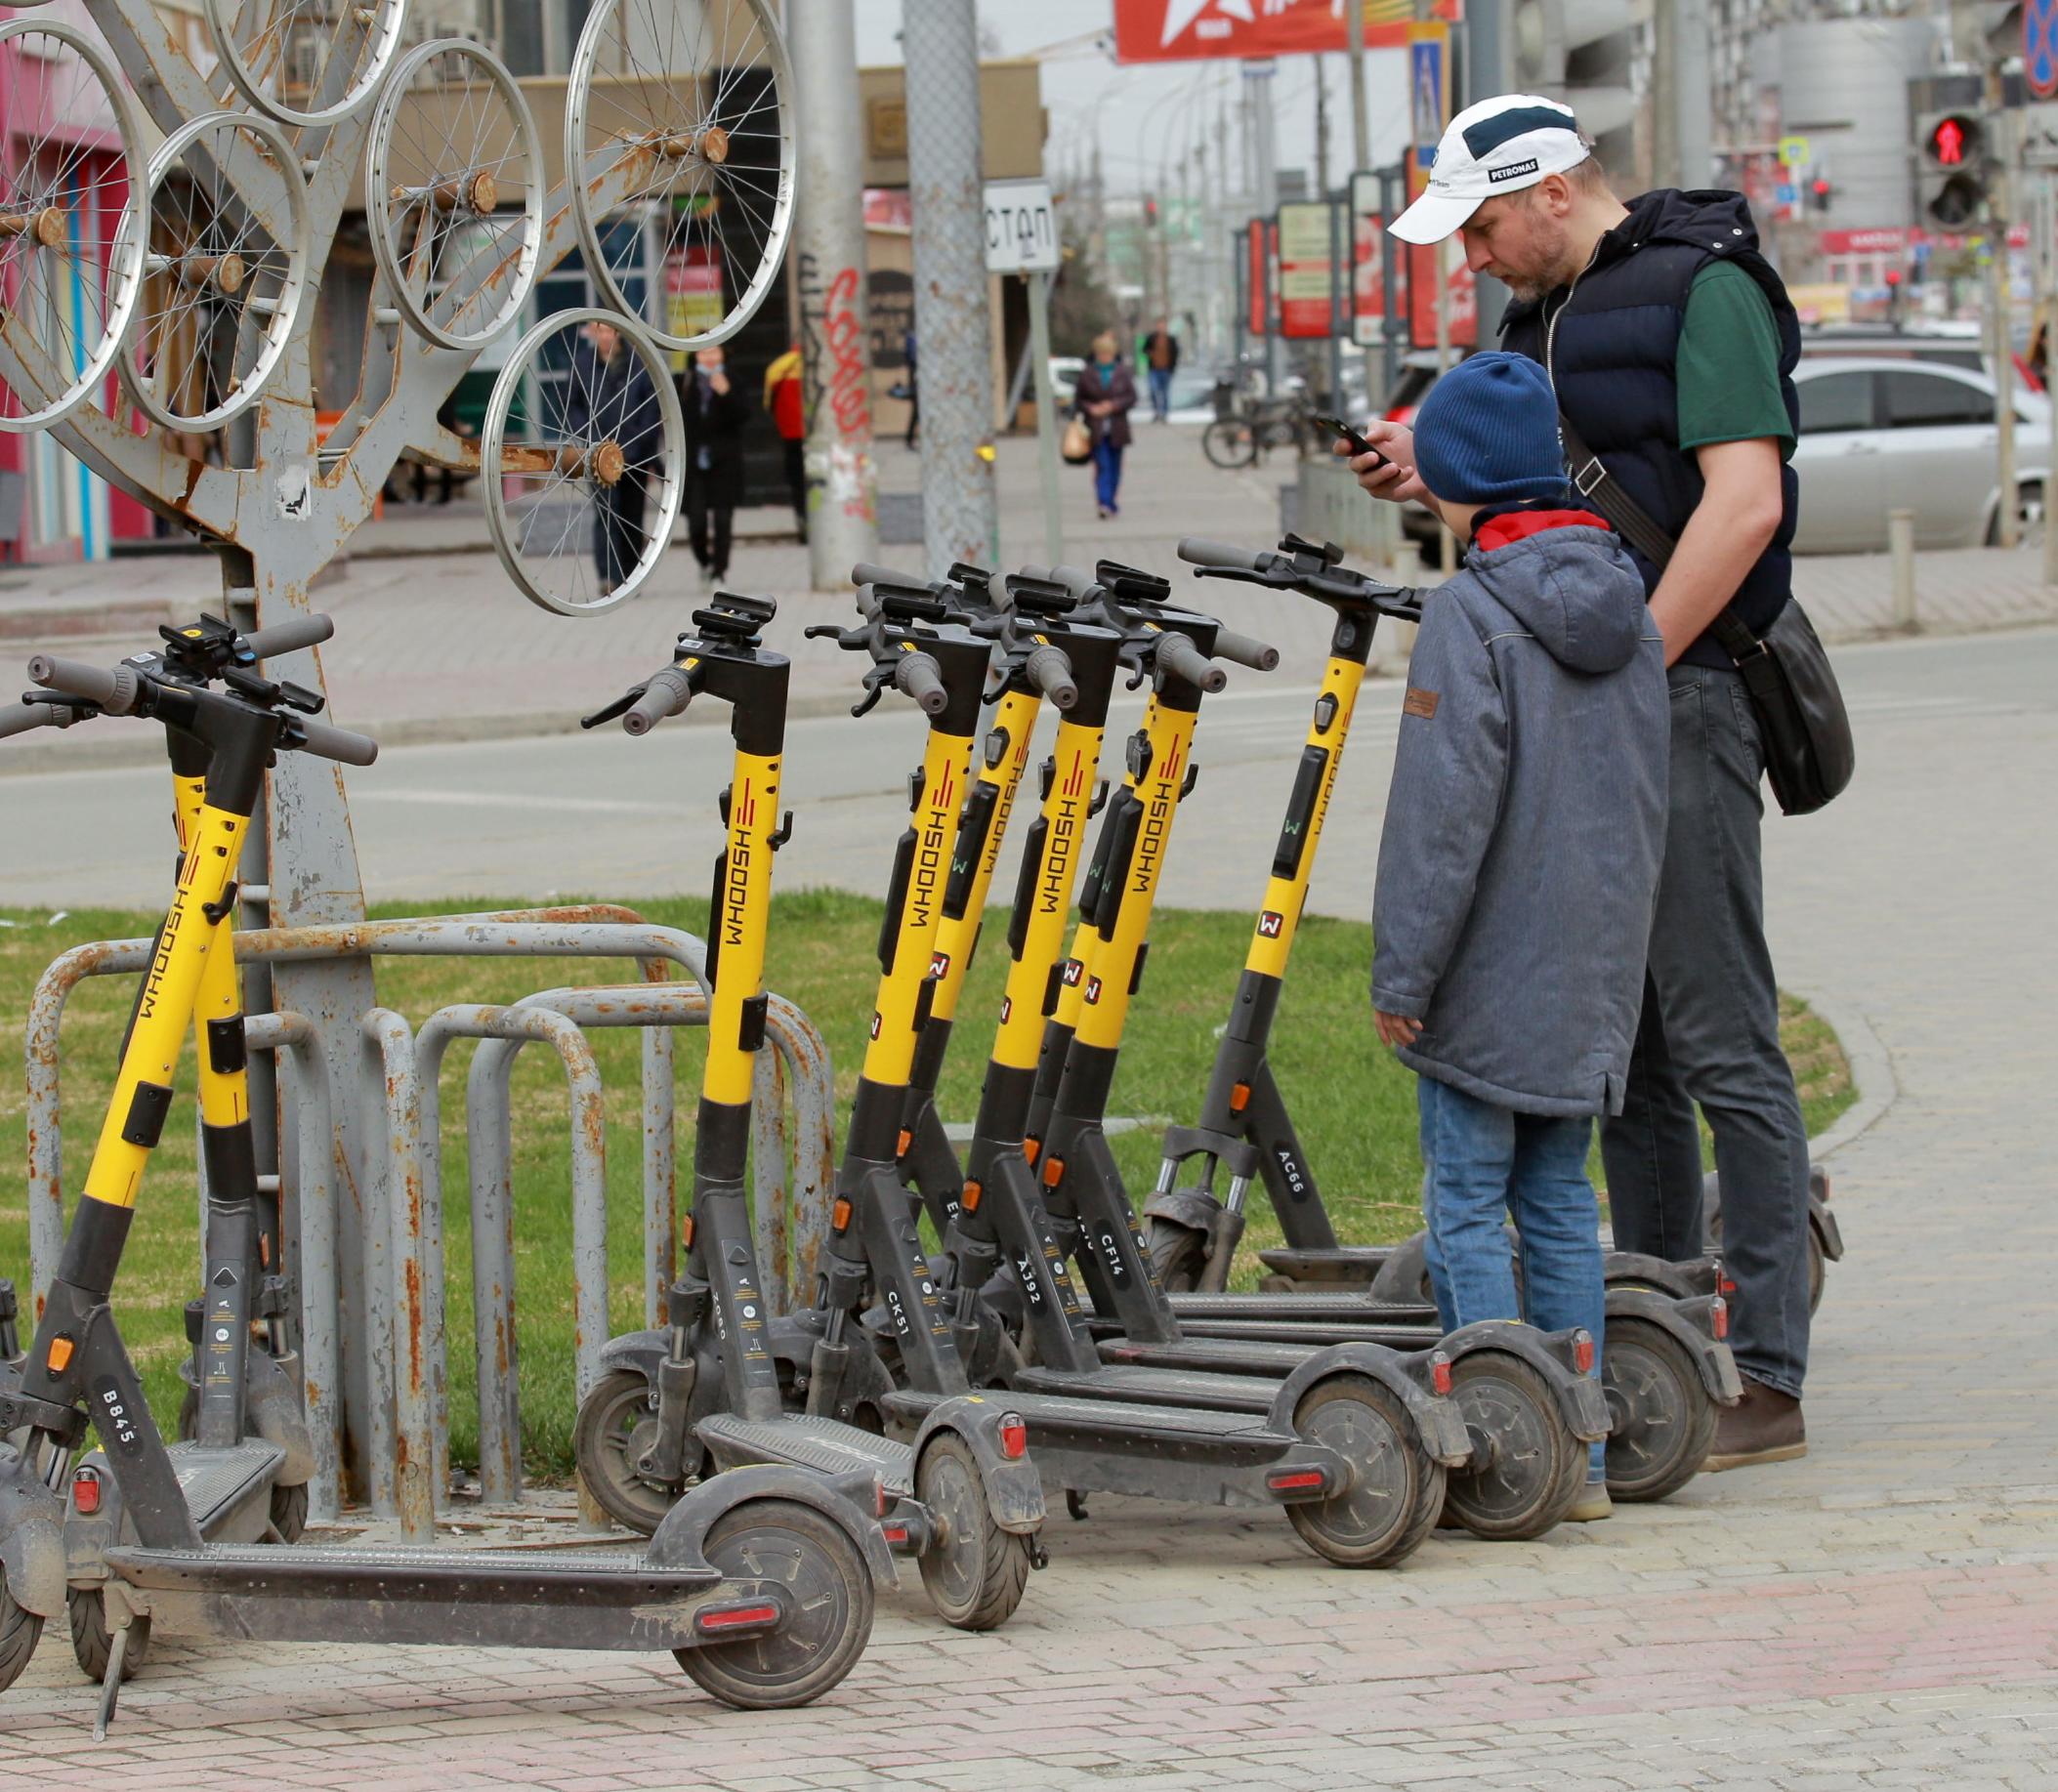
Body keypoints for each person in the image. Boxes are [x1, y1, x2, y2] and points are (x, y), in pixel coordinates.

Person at [1357, 92, 1813, 1470]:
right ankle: (1651, 1328)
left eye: (1482, 226)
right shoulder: (1525, 324)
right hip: (1590, 702)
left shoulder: (1706, 289)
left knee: (1720, 1032)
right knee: (1630, 1053)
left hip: (1675, 701)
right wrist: (1425, 477)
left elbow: (1741, 504)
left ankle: (1767, 1370)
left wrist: (1628, 661)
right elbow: (1534, 506)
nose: (1471, 257)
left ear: (1551, 190)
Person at [1370, 351, 1669, 1525]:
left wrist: (1404, 975)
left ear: (1453, 481)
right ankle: (1583, 1462)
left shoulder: (1468, 613)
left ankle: (1504, 1452)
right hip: (1589, 966)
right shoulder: (1629, 603)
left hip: (1483, 979)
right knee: (1557, 1201)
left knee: (1464, 1200)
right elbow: (1647, 798)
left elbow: (1438, 825)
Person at [566, 319, 663, 597]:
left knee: (631, 515)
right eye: (599, 330)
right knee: (606, 514)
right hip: (598, 456)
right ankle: (608, 576)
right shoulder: (583, 364)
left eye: (608, 330)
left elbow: (651, 406)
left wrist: (637, 441)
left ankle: (631, 576)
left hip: (634, 454)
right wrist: (590, 440)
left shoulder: (639, 363)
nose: (604, 336)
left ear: (618, 332)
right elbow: (572, 404)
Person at [681, 343, 748, 588]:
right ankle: (704, 562)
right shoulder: (686, 382)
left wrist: (726, 393)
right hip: (695, 462)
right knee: (696, 520)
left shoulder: (732, 379)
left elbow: (744, 415)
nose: (709, 357)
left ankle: (720, 571)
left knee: (722, 519)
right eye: (703, 352)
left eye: (714, 351)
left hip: (725, 462)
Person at [1072, 330, 1136, 520]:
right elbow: (1079, 400)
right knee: (1103, 466)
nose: (1104, 357)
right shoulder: (1088, 374)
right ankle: (1104, 503)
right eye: (1101, 353)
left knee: (1115, 468)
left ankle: (1111, 501)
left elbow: (1131, 397)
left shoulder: (1121, 373)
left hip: (1117, 428)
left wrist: (1114, 405)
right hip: (1096, 429)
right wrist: (1091, 408)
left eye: (1107, 354)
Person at [763, 340, 807, 542]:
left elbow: (767, 403)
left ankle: (802, 518)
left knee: (797, 481)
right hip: (815, 435)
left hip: (790, 434)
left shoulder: (778, 367)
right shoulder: (819, 364)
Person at [1143, 316, 1180, 423]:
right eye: (1159, 325)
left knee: (1165, 393)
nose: (1161, 327)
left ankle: (1164, 413)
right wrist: (1150, 353)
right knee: (1153, 390)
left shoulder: (1171, 339)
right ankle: (1156, 411)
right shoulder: (1151, 338)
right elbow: (1144, 349)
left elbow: (1175, 354)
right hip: (1154, 370)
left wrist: (1172, 368)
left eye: (1163, 325)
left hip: (1166, 370)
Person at [902, 328, 919, 449]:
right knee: (916, 412)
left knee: (916, 413)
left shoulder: (913, 340)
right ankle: (910, 438)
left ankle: (910, 438)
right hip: (918, 384)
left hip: (916, 383)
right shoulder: (914, 340)